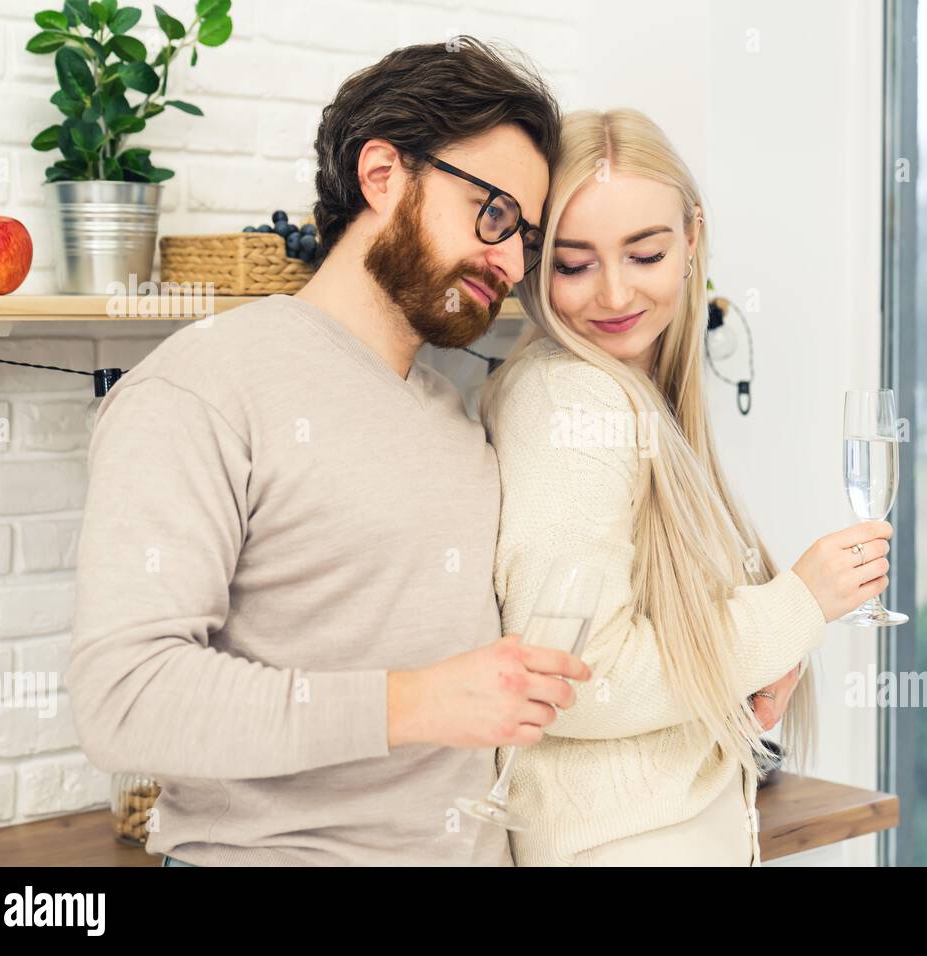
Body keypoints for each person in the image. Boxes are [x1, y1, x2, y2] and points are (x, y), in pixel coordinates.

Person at [67, 36, 586, 866]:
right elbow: (123, 702)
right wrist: (412, 703)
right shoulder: (203, 385)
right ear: (383, 174)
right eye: (494, 215)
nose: (512, 260)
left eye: (525, 235)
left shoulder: (454, 412)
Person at [480, 108, 894, 866]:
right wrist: (797, 605)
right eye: (573, 264)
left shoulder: (633, 395)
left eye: (644, 254)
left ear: (692, 239)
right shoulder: (571, 403)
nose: (613, 294)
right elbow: (578, 677)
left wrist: (759, 663)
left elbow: (653, 628)